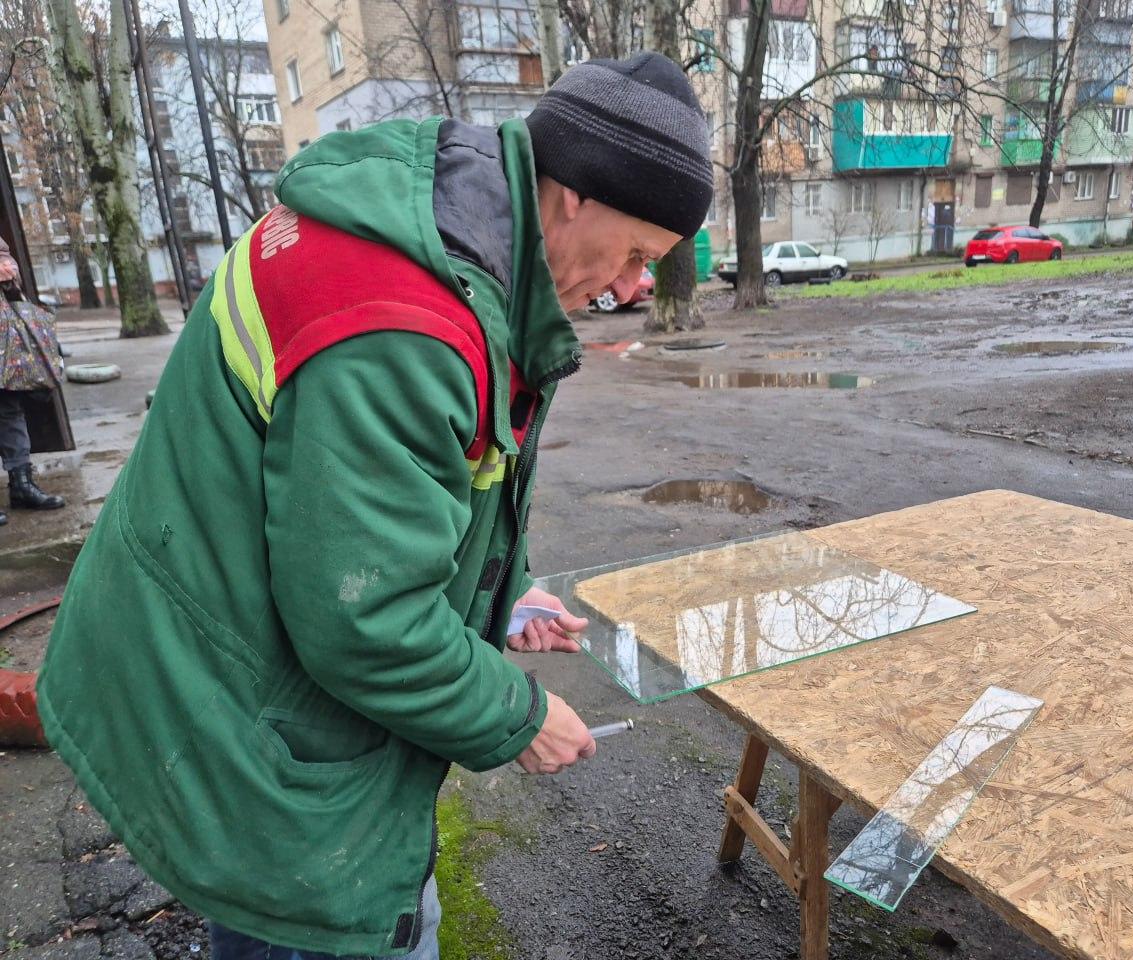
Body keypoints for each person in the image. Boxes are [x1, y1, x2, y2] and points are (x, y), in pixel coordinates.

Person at [37, 51, 711, 960]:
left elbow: (380, 507)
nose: (633, 287)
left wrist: (502, 596)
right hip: (231, 716)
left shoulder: (436, 238)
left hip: (211, 658)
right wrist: (516, 716)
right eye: (637, 255)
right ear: (575, 195)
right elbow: (364, 618)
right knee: (325, 926)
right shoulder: (404, 320)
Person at [0, 237, 67, 525]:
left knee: (9, 409)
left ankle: (22, 485)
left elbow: (5, 254)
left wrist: (7, 267)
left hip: (4, 334)